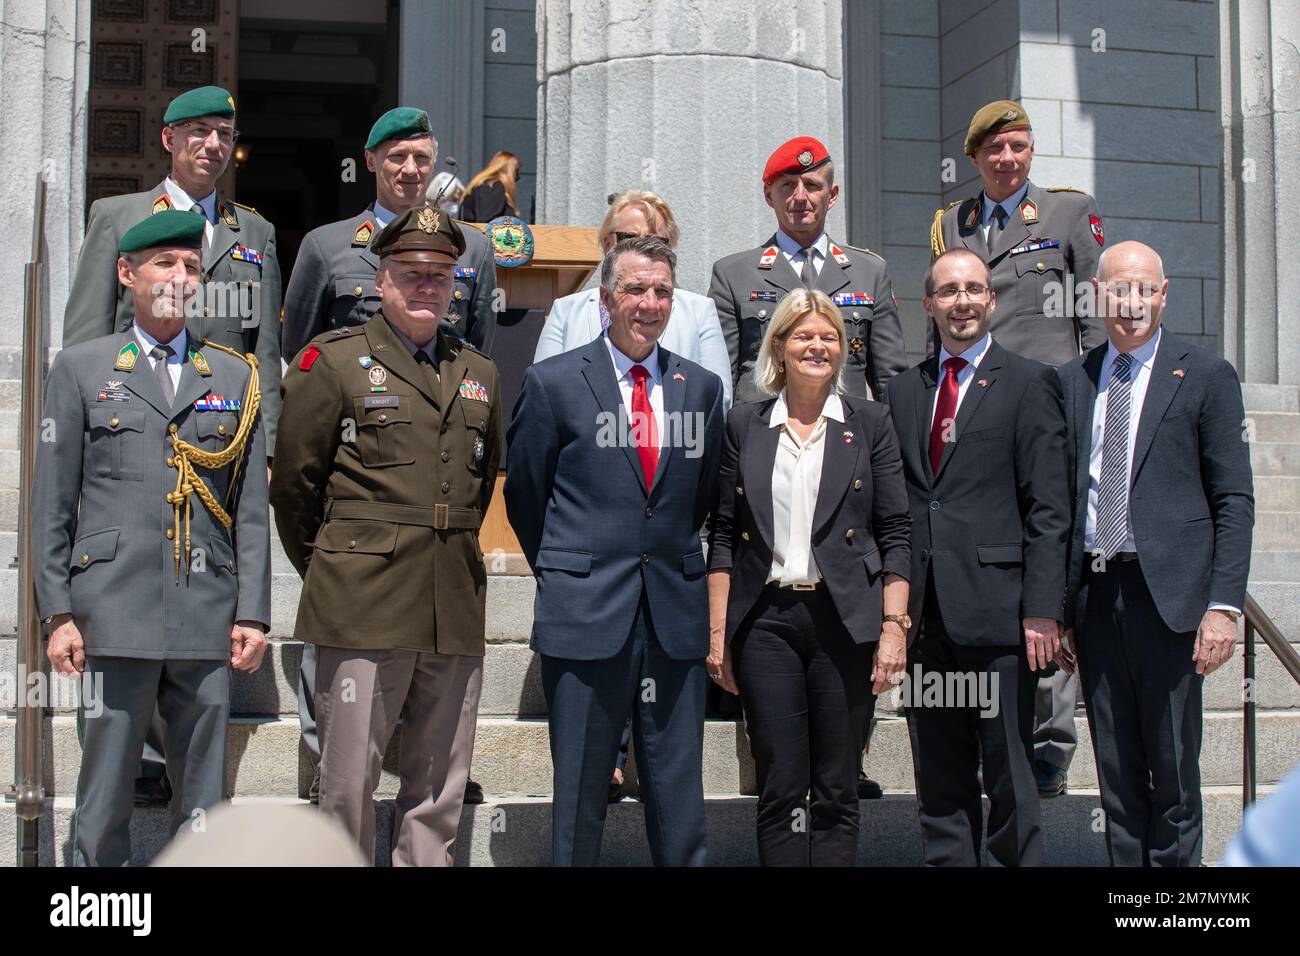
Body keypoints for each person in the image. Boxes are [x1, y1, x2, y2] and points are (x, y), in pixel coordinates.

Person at [34, 210, 271, 866]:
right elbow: (51, 503)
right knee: (105, 795)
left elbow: (249, 506)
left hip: (204, 609)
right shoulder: (82, 369)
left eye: (192, 267)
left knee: (201, 803)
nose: (180, 276)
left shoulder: (232, 377)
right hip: (112, 609)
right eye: (165, 263)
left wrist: (253, 609)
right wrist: (57, 612)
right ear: (127, 273)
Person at [270, 203, 501, 866]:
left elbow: (479, 488)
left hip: (451, 600)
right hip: (361, 601)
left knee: (437, 790)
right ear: (381, 282)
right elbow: (294, 487)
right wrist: (338, 565)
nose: (427, 285)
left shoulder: (480, 373)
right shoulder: (331, 362)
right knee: (346, 784)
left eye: (441, 274)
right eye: (411, 272)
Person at [505, 236, 725, 866]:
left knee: (679, 798)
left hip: (673, 619)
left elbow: (701, 497)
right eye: (635, 289)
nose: (649, 303)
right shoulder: (553, 383)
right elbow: (527, 495)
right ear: (605, 299)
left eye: (661, 291)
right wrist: (570, 568)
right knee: (578, 797)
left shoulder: (701, 389)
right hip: (584, 615)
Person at [930, 99, 1107, 798]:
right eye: (995, 150)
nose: (1008, 159)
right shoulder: (953, 223)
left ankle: (1050, 750)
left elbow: (1091, 322)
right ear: (975, 158)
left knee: (1048, 565)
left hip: (1046, 410)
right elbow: (946, 313)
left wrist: (1090, 411)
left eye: (1019, 146)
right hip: (972, 415)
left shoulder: (1067, 215)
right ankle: (984, 739)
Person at [1058, 241, 1254, 867]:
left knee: (1172, 775)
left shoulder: (1204, 374)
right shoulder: (1071, 380)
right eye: (1119, 289)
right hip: (1094, 597)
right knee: (1116, 773)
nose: (1132, 303)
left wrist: (1223, 606)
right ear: (1096, 296)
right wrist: (1057, 606)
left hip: (1170, 602)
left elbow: (1234, 499)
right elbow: (1058, 501)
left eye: (1144, 289)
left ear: (1163, 295)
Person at [707, 288, 911, 866]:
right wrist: (718, 631)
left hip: (845, 621)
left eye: (828, 336)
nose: (817, 346)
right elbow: (723, 534)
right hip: (766, 624)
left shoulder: (870, 422)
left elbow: (896, 529)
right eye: (803, 335)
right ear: (779, 345)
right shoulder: (745, 424)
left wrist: (894, 627)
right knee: (778, 787)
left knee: (837, 790)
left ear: (844, 349)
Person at [885, 248, 1070, 867]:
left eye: (973, 289)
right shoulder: (905, 391)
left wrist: (1044, 609)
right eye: (947, 290)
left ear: (990, 301)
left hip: (999, 621)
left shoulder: (1028, 382)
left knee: (1012, 779)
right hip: (926, 623)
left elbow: (1048, 508)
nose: (961, 301)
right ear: (928, 304)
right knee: (940, 782)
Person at [709, 136, 907, 406]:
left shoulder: (870, 272)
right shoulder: (733, 275)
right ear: (769, 195)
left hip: (846, 436)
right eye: (788, 185)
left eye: (812, 185)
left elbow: (890, 382)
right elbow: (721, 384)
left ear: (832, 195)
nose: (800, 197)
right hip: (762, 437)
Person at [535, 188, 733, 410]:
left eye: (655, 241)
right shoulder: (566, 311)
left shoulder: (699, 311)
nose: (640, 248)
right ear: (608, 243)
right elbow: (544, 395)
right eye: (628, 238)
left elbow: (719, 400)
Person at [459, 150, 521, 222]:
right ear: (509, 171)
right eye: (516, 172)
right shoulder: (493, 187)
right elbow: (485, 222)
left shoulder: (484, 186)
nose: (517, 177)